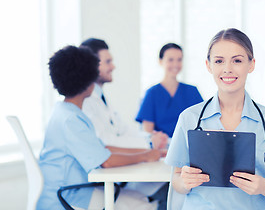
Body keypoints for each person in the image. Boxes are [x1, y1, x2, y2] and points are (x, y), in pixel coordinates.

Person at [165, 28, 265, 209]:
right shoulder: (189, 118)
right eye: (219, 61)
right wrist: (185, 182)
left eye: (237, 60)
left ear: (251, 64)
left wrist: (264, 186)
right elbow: (176, 180)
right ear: (208, 65)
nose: (227, 69)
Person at [37, 45, 164, 210]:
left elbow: (103, 149)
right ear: (88, 81)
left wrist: (149, 153)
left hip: (72, 190)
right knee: (149, 204)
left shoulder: (66, 112)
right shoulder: (71, 119)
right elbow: (107, 162)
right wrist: (146, 156)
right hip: (71, 196)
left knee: (142, 197)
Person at [80, 38, 168, 210]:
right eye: (107, 62)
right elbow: (106, 141)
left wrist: (150, 137)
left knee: (165, 187)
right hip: (100, 183)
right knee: (161, 195)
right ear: (91, 65)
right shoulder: (86, 102)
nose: (113, 66)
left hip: (116, 176)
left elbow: (123, 130)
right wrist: (149, 145)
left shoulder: (101, 97)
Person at [135, 43, 203, 138]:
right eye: (170, 60)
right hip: (162, 149)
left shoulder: (192, 92)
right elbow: (148, 135)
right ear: (160, 61)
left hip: (189, 147)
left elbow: (203, 124)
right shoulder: (152, 93)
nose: (175, 64)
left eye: (179, 60)